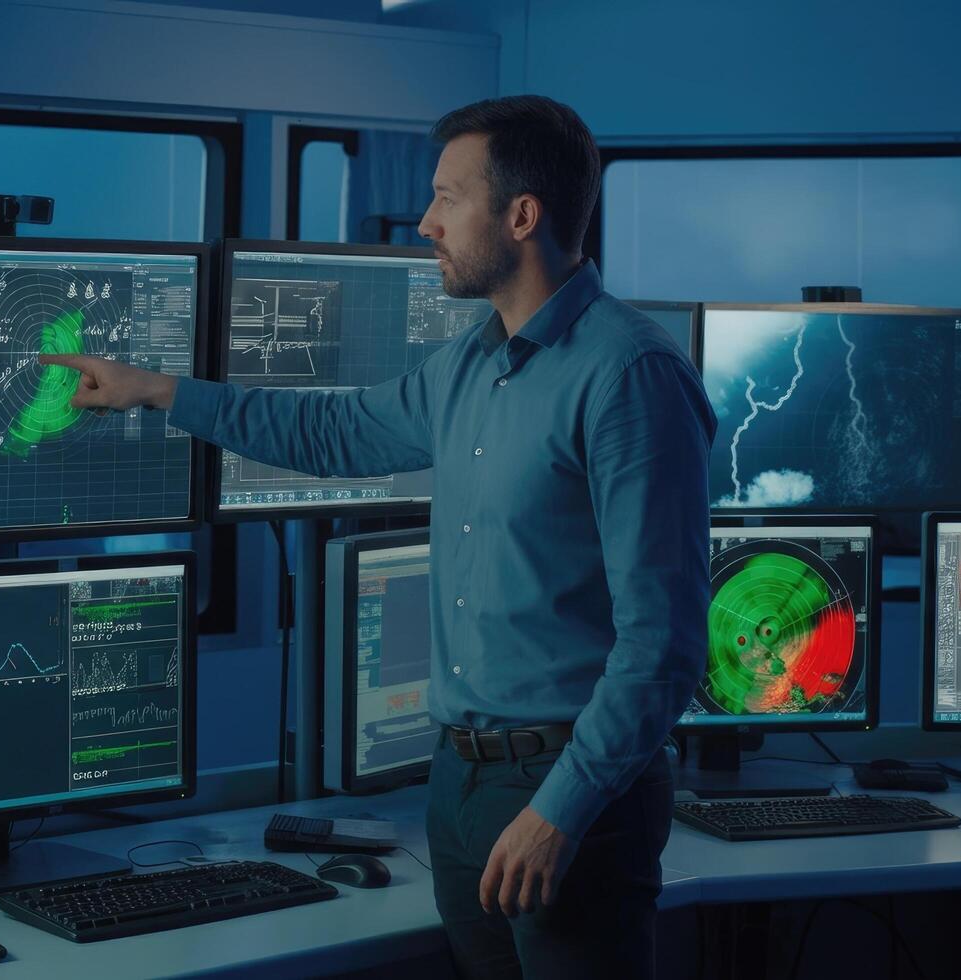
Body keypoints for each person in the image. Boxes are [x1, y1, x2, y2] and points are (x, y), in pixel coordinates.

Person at [41, 94, 715, 979]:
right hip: (460, 783)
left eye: (447, 198)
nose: (427, 223)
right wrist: (157, 391)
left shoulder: (629, 373)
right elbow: (331, 434)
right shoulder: (470, 364)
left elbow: (661, 644)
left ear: (521, 215)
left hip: (566, 792)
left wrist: (562, 809)